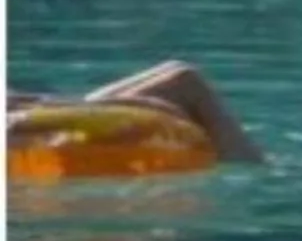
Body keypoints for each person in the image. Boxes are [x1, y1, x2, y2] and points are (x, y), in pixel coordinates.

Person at [7, 61, 266, 164]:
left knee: (183, 75)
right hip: (20, 121)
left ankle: (249, 165)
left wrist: (62, 103)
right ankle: (253, 171)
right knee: (185, 81)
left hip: (31, 109)